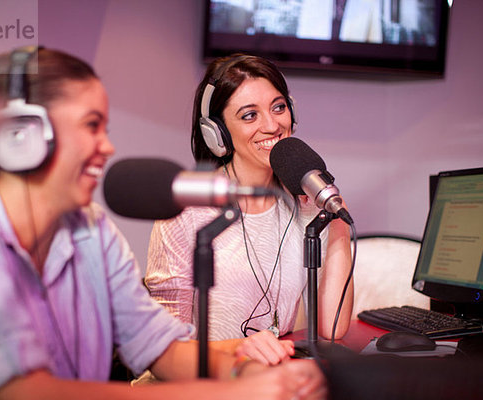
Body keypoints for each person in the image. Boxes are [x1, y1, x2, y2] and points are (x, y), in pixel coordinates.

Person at [0, 47, 326, 400]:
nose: (107, 146)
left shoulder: (93, 231)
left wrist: (244, 372)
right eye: (91, 126)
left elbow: (162, 348)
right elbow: (24, 392)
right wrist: (231, 394)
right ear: (20, 137)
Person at [145, 54, 353, 345]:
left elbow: (332, 327)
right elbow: (166, 348)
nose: (272, 125)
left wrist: (338, 222)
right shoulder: (186, 210)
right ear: (217, 133)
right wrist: (241, 352)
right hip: (198, 385)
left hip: (266, 380)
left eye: (278, 107)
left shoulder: (307, 205)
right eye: (249, 115)